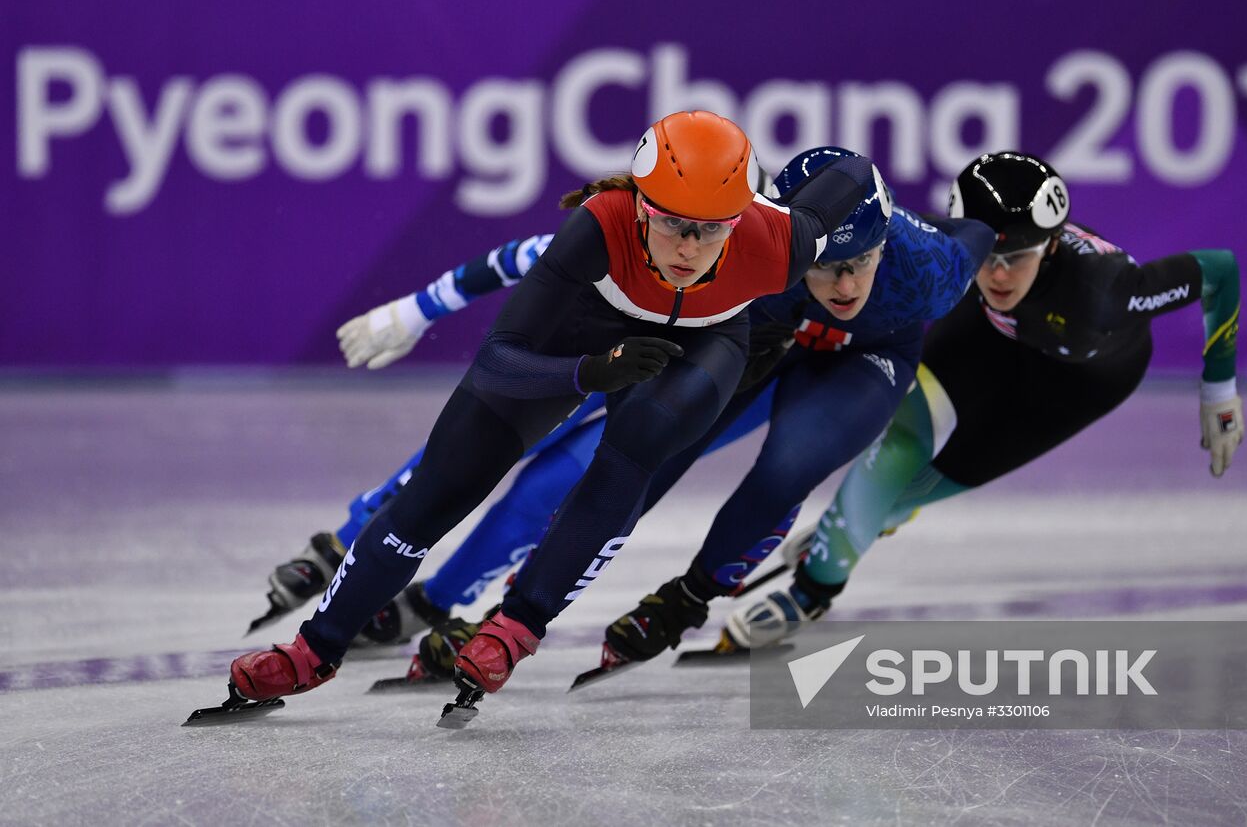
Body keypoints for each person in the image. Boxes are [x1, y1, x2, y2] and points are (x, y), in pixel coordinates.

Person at [222, 110, 878, 714]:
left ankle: (518, 624)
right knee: (436, 493)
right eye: (673, 222)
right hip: (577, 341)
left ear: (740, 222)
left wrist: (765, 207)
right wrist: (583, 372)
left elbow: (851, 173)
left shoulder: (776, 242)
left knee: (634, 448)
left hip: (704, 344)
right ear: (641, 206)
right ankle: (315, 651)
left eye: (711, 230)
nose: (687, 247)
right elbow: (498, 356)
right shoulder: (599, 225)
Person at [725, 150, 1244, 650]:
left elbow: (1219, 270)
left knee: (909, 492)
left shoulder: (1109, 291)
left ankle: (867, 521)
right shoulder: (963, 258)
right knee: (898, 442)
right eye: (987, 257)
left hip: (1078, 383)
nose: (997, 275)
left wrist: (1219, 393)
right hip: (986, 336)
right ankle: (812, 590)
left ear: (1052, 247)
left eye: (1015, 258)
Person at [585, 147, 993, 672]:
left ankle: (686, 598)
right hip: (766, 332)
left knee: (788, 467)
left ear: (885, 244)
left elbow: (980, 232)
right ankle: (563, 554)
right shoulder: (745, 245)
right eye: (825, 266)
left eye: (862, 261)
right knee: (659, 435)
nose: (845, 287)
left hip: (870, 354)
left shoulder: (931, 271)